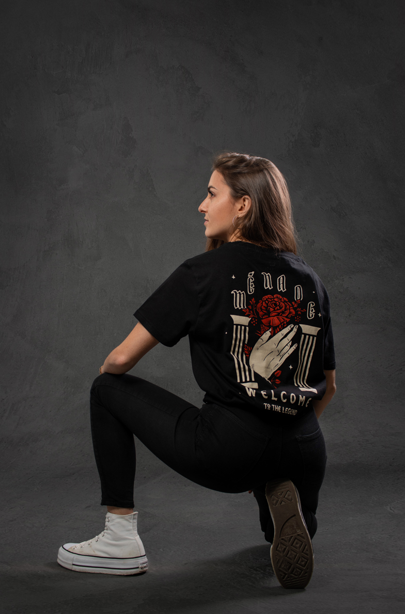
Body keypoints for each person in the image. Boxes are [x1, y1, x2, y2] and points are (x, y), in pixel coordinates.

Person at [57, 152, 336, 589]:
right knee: (278, 501)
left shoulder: (202, 273)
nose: (202, 206)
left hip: (230, 447)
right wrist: (281, 435)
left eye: (211, 193)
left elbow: (121, 360)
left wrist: (107, 367)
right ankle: (281, 499)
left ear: (242, 205)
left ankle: (120, 539)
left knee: (105, 389)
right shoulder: (309, 279)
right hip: (305, 449)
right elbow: (329, 386)